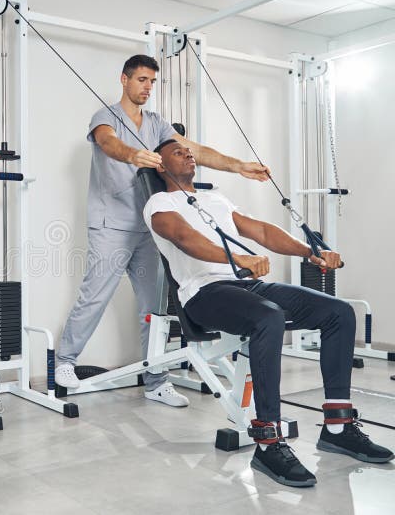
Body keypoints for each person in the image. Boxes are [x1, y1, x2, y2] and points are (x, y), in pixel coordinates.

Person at [143, 139, 393, 487]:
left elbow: (260, 230)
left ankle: (338, 427)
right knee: (268, 317)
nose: (187, 154)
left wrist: (311, 251)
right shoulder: (159, 203)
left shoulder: (215, 199)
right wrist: (239, 259)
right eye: (177, 152)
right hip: (204, 294)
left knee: (338, 312)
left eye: (189, 151)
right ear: (160, 165)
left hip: (247, 287)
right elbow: (185, 238)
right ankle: (268, 442)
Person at [55, 54, 269, 408]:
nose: (147, 88)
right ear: (124, 79)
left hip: (150, 228)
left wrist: (238, 165)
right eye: (141, 80)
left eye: (152, 82)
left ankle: (155, 380)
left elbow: (195, 150)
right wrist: (133, 155)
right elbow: (109, 144)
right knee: (94, 296)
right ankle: (65, 362)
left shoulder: (156, 123)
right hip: (111, 225)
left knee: (152, 308)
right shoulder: (104, 118)